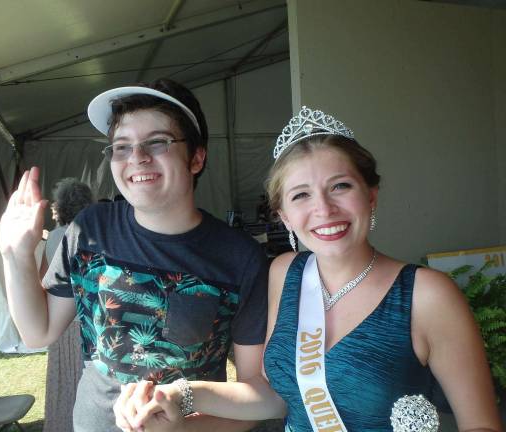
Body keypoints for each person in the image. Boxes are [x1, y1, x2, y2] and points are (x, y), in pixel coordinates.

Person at [118, 107, 503, 432]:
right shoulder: (286, 273)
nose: (323, 209)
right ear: (284, 215)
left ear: (371, 196)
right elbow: (273, 395)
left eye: (340, 187)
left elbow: (482, 424)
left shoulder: (426, 294)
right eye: (301, 194)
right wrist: (181, 396)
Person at [0, 78, 268, 432]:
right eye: (121, 147)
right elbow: (38, 333)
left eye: (157, 142)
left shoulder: (240, 257)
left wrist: (183, 427)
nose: (137, 158)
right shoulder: (90, 229)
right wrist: (16, 256)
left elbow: (259, 395)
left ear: (197, 157)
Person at [41, 177, 93, 432]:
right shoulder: (89, 235)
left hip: (58, 321)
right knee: (87, 380)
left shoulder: (53, 237)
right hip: (84, 321)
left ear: (60, 207)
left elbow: (44, 280)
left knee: (63, 381)